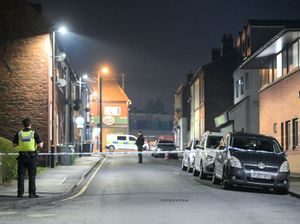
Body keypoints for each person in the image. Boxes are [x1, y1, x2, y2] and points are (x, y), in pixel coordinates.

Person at [12, 117, 43, 198]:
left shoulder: (19, 133)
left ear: (23, 125)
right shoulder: (34, 133)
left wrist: (22, 144)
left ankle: (20, 193)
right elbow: (40, 145)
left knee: (21, 176)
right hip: (31, 157)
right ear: (30, 124)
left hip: (22, 157)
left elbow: (14, 145)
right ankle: (32, 193)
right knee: (32, 176)